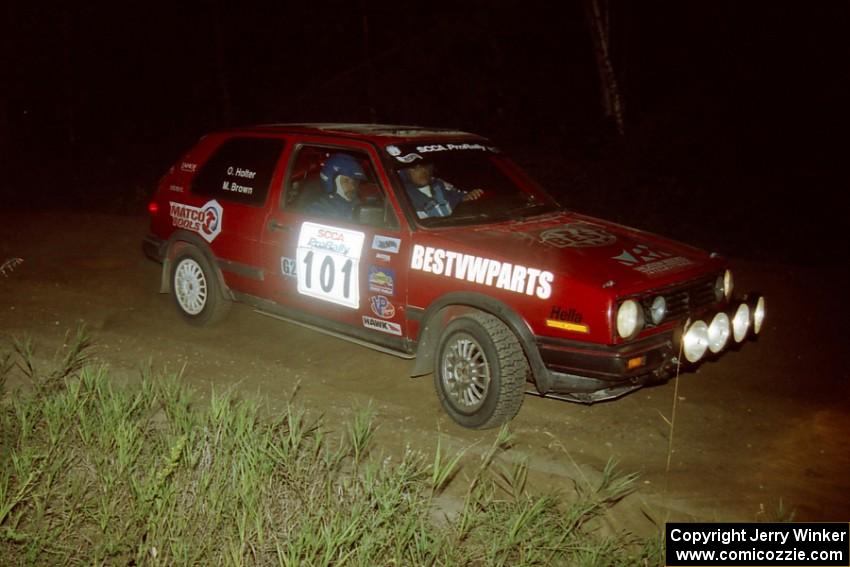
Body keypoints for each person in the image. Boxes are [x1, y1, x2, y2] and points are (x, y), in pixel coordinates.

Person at [400, 161, 483, 219]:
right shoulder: (400, 193)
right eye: (415, 168)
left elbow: (459, 197)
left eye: (425, 165)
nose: (423, 170)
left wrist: (467, 197)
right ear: (404, 171)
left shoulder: (439, 184)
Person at [305, 153, 368, 219]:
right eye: (346, 181)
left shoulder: (357, 203)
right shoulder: (318, 211)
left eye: (354, 182)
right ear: (330, 182)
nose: (352, 187)